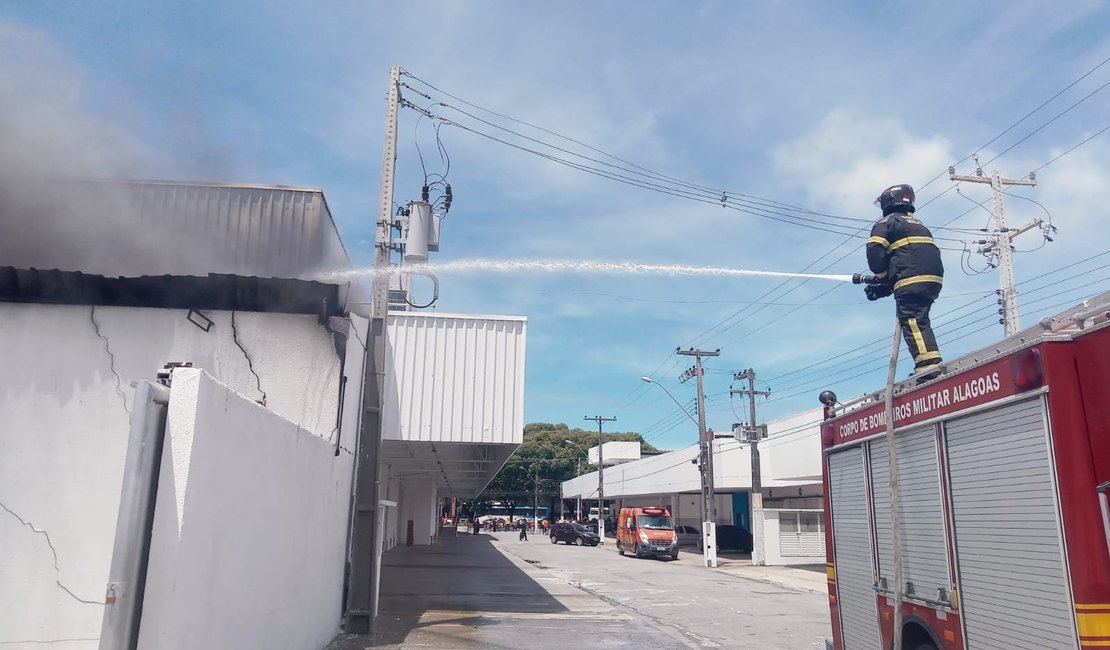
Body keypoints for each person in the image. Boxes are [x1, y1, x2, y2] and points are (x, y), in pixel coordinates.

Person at [865, 184, 944, 381]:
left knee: (912, 320)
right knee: (920, 319)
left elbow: (875, 251)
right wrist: (884, 288)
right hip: (931, 279)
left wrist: (881, 277)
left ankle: (928, 368)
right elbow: (908, 259)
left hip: (911, 279)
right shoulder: (918, 224)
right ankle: (929, 363)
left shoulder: (885, 223)